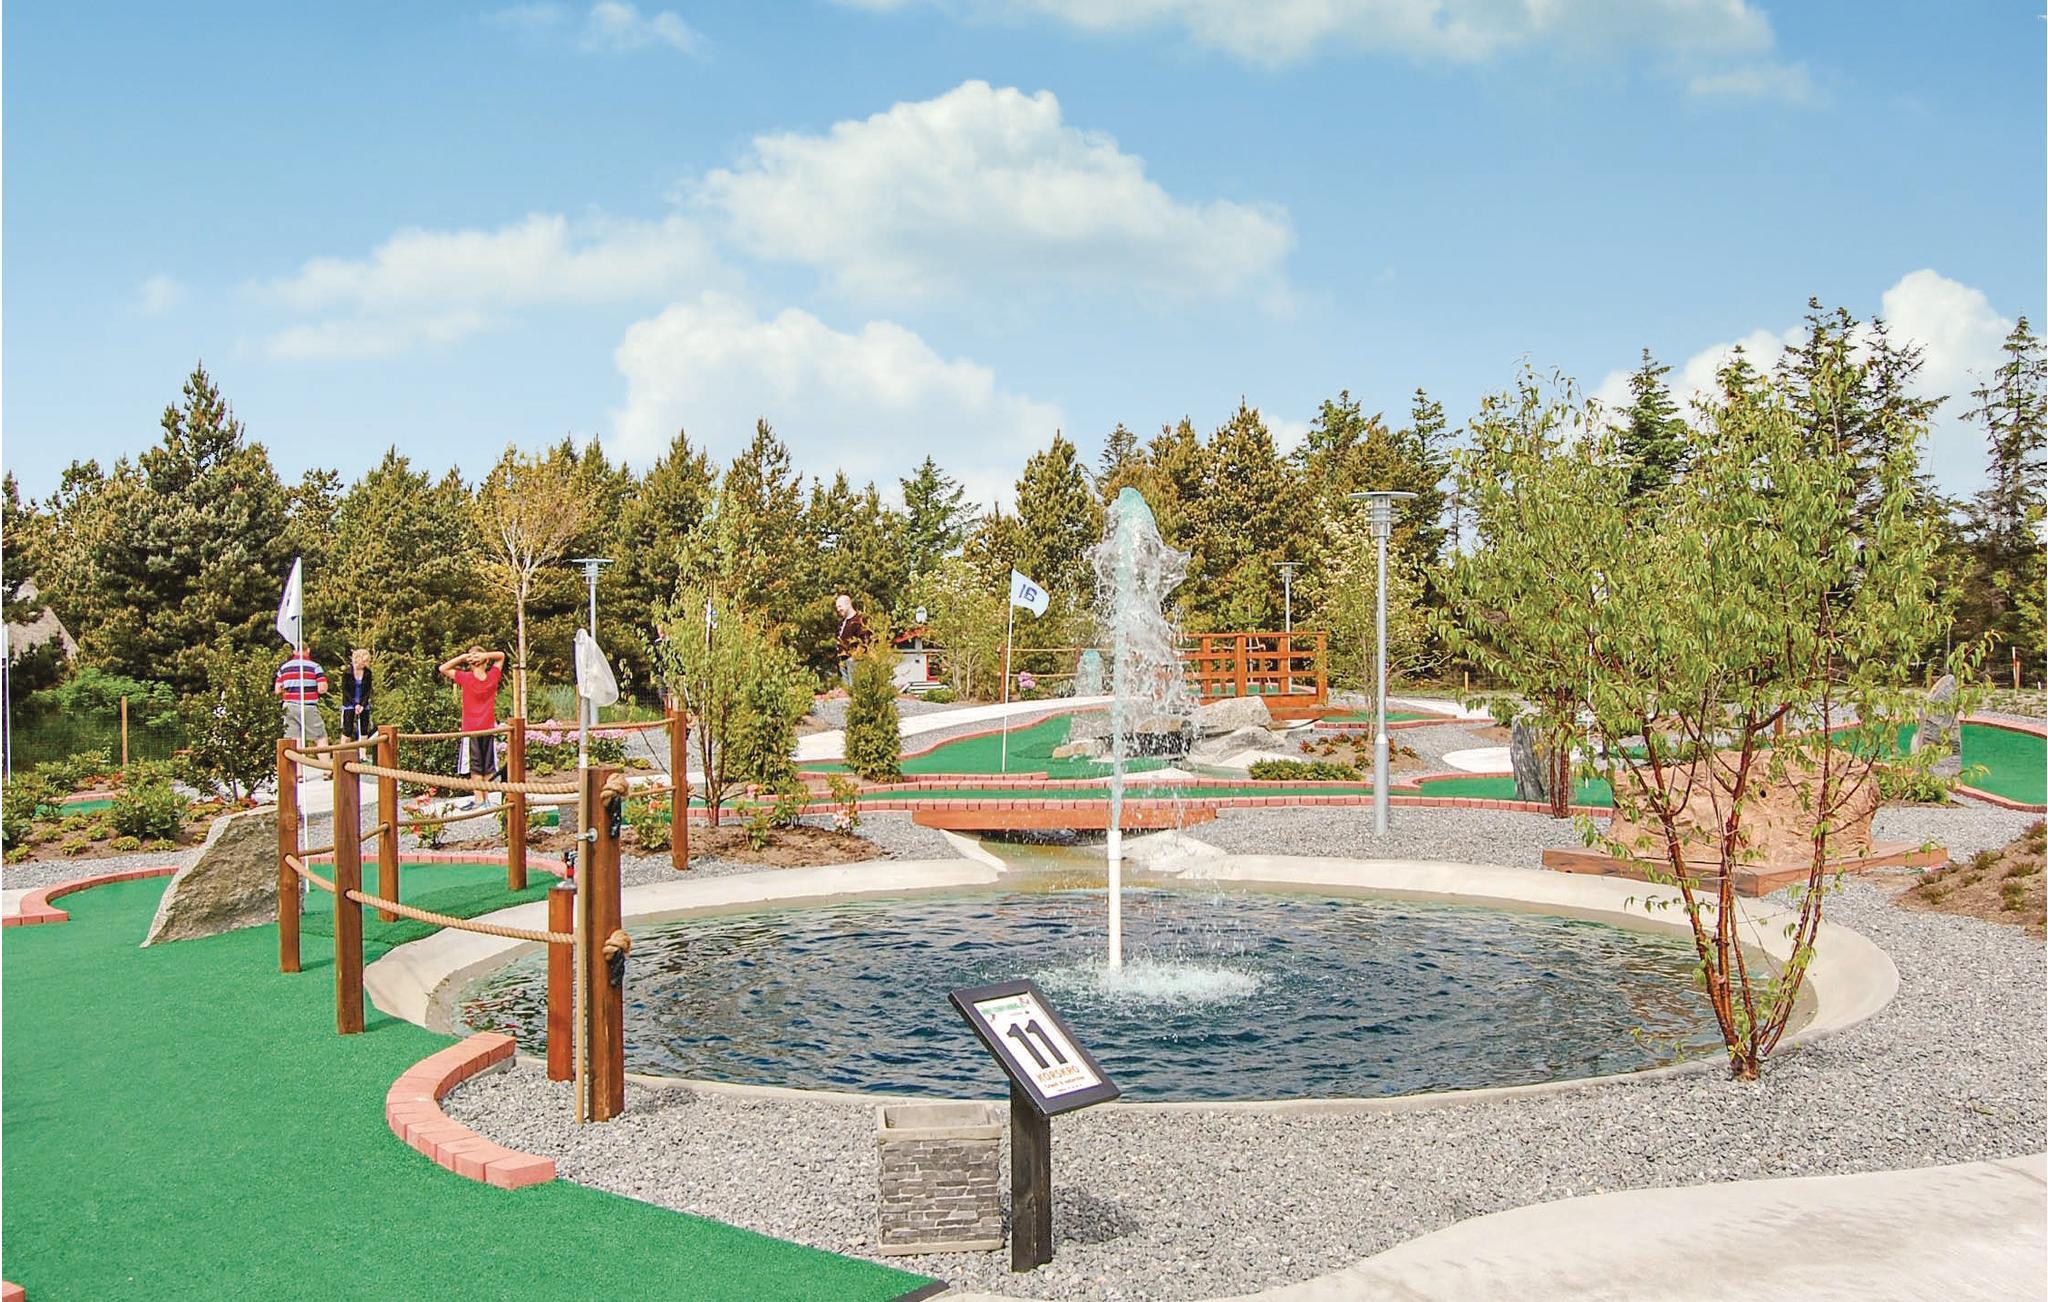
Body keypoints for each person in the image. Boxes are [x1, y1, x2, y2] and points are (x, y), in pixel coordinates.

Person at [438, 646, 506, 806]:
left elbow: (443, 668)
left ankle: (479, 799)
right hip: (488, 729)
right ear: (486, 661)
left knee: (476, 766)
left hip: (471, 730)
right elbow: (501, 656)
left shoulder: (466, 678)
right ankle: (485, 798)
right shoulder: (492, 677)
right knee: (488, 766)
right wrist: (484, 655)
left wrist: (463, 657)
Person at [274, 645, 329, 743]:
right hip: (308, 706)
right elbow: (322, 689)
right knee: (320, 737)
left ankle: (297, 754)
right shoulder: (315, 667)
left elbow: (277, 690)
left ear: (294, 651)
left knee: (295, 740)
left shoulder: (284, 668)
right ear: (308, 650)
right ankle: (323, 754)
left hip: (289, 707)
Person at [834, 594, 873, 689]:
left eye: (840, 606)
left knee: (855, 689)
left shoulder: (859, 620)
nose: (838, 610)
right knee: (847, 690)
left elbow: (865, 641)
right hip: (843, 661)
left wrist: (855, 657)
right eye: (837, 607)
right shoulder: (843, 622)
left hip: (854, 662)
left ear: (848, 604)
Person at [337, 648, 374, 741]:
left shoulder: (368, 673)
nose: (365, 664)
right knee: (347, 730)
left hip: (363, 703)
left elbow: (368, 690)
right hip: (349, 703)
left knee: (363, 730)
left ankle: (363, 749)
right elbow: (345, 691)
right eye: (364, 661)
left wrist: (362, 704)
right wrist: (355, 704)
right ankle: (344, 748)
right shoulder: (347, 673)